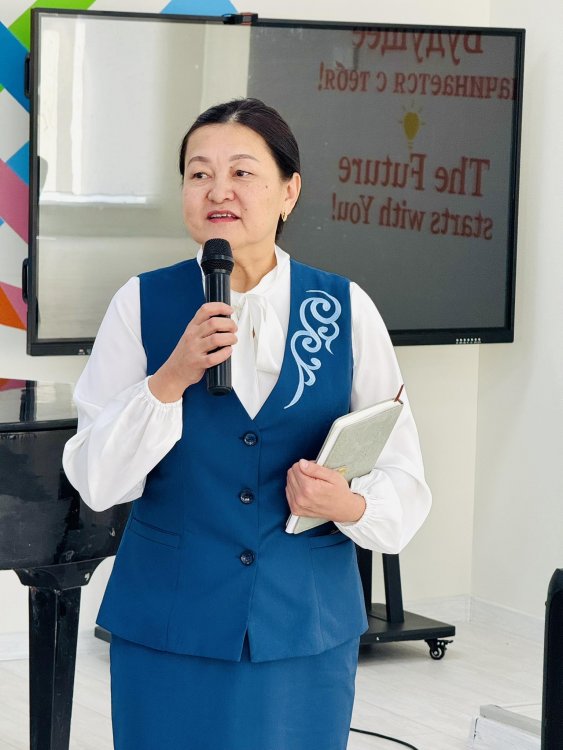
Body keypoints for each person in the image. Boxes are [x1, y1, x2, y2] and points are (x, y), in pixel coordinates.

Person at [63, 97, 431, 750]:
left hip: (305, 627)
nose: (217, 190)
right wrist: (168, 380)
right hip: (169, 625)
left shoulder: (347, 308)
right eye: (198, 173)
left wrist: (345, 503)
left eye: (241, 172)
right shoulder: (139, 303)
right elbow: (96, 479)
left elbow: (402, 473)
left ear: (289, 191)